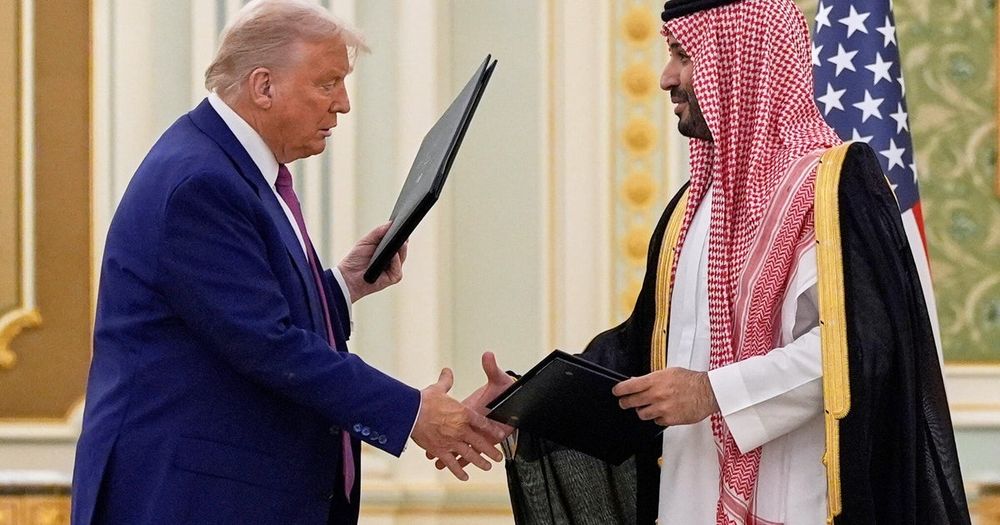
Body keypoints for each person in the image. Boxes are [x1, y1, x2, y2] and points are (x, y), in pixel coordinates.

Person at [461, 0, 970, 523]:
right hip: (686, 498)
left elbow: (865, 347)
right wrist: (528, 401)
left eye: (683, 55)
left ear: (740, 57)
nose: (666, 77)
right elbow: (642, 350)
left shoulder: (833, 186)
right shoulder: (692, 207)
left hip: (800, 500)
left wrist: (714, 391)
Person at [71, 1, 504, 524]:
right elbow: (265, 343)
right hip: (188, 500)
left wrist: (341, 286)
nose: (343, 104)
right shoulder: (201, 182)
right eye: (328, 83)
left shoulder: (232, 168)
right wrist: (412, 412)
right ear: (263, 86)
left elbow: (238, 316)